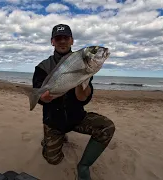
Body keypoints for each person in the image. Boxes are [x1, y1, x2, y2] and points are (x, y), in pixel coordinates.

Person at [32, 24, 116, 180]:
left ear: (71, 40)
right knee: (53, 160)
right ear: (52, 42)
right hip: (54, 122)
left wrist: (83, 80)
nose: (62, 41)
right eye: (58, 38)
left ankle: (83, 165)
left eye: (66, 38)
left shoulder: (82, 62)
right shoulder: (42, 67)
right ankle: (51, 138)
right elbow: (39, 96)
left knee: (107, 127)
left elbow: (83, 98)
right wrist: (42, 98)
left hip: (76, 118)